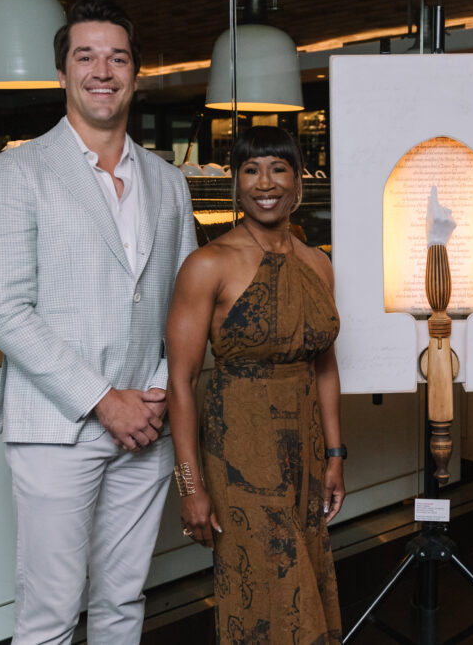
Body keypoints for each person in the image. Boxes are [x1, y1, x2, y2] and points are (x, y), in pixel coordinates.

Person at [0, 0, 197, 643]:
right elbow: (3, 310)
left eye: (117, 57)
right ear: (64, 72)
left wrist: (156, 391)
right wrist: (104, 400)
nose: (103, 69)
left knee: (123, 601)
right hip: (57, 426)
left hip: (145, 426)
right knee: (50, 614)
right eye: (86, 56)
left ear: (135, 73)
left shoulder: (167, 181)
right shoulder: (18, 172)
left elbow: (186, 302)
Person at [166, 126, 345, 643]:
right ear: (237, 187)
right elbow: (181, 382)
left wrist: (335, 454)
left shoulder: (318, 265)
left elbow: (326, 366)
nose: (265, 181)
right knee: (265, 586)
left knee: (305, 577)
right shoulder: (208, 264)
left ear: (298, 183)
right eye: (251, 169)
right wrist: (191, 485)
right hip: (240, 453)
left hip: (305, 452)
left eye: (279, 168)